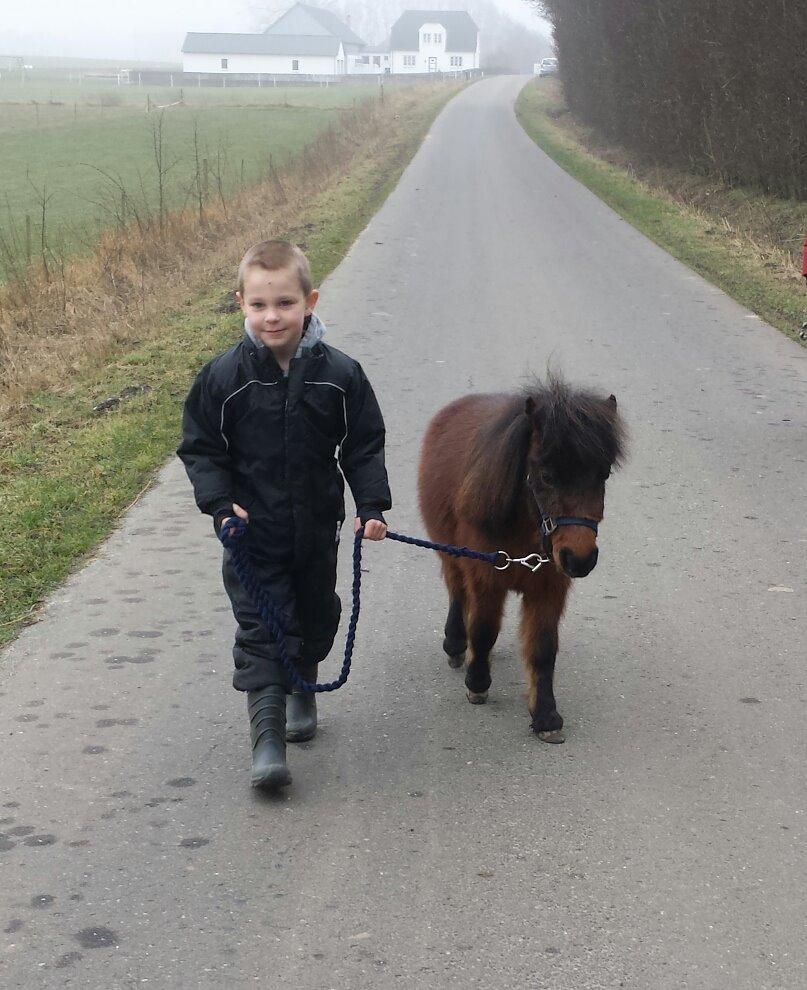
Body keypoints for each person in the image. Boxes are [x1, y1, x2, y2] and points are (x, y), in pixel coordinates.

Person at [178, 240, 391, 790]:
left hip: (319, 527)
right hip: (251, 532)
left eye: (285, 304)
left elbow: (363, 444)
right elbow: (202, 448)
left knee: (316, 613)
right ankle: (267, 743)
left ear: (310, 301)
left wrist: (371, 506)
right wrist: (220, 505)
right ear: (241, 305)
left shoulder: (340, 375)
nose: (272, 316)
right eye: (258, 305)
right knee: (262, 625)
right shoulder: (223, 378)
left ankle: (304, 691)